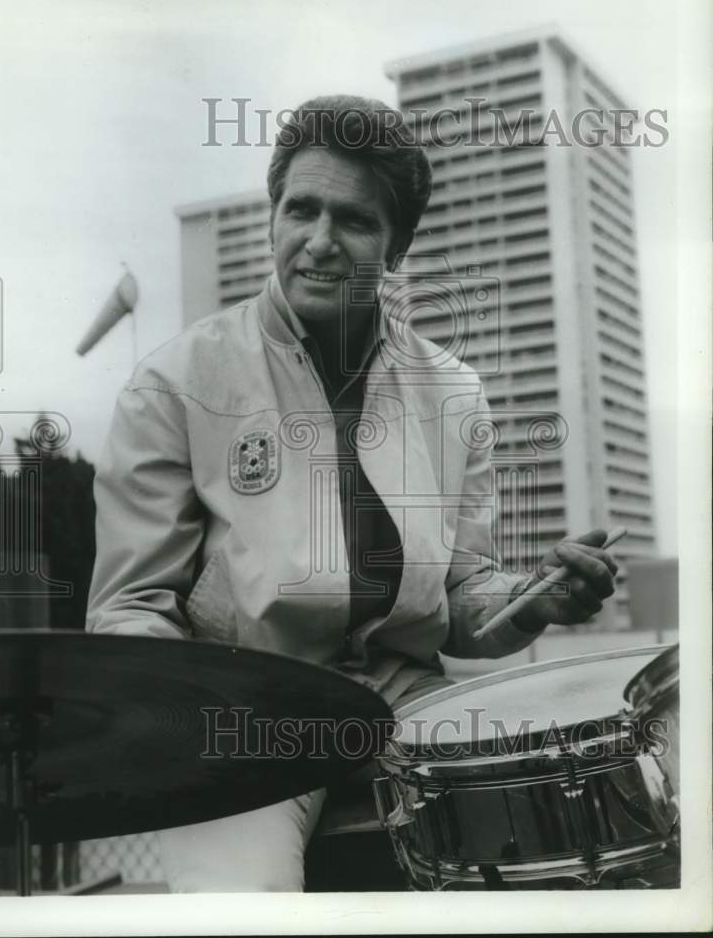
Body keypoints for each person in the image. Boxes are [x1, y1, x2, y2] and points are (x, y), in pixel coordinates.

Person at [85, 94, 618, 892]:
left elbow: (465, 601)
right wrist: (195, 711)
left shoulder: (455, 392)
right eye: (301, 209)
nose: (320, 242)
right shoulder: (174, 383)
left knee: (533, 865)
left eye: (356, 221)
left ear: (396, 246)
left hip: (412, 703)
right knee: (244, 905)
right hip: (244, 714)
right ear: (273, 217)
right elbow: (129, 608)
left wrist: (537, 600)